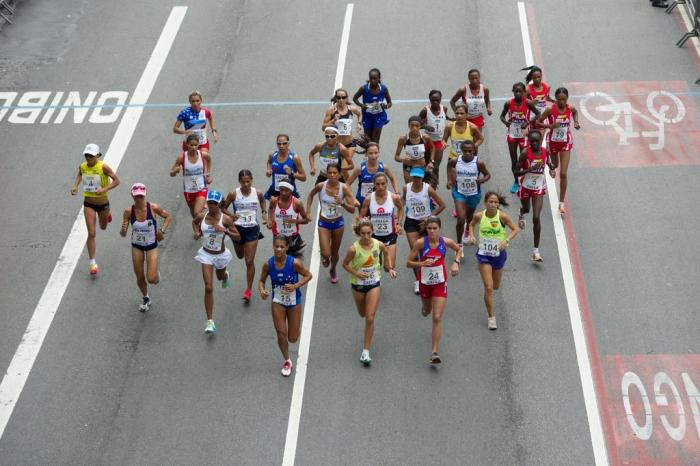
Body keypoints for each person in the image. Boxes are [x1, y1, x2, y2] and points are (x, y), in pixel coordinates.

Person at [342, 218, 398, 366]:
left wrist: (390, 268)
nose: (366, 236)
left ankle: (365, 351)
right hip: (358, 285)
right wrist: (356, 273)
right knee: (362, 313)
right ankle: (366, 344)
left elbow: (387, 253)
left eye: (368, 233)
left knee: (370, 317)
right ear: (359, 233)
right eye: (363, 234)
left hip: (374, 283)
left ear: (372, 232)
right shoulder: (353, 249)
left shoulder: (378, 245)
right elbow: (345, 264)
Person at [406, 216, 461, 365]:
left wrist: (456, 263)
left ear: (439, 229)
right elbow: (408, 263)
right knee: (427, 310)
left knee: (436, 317)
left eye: (435, 229)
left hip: (440, 282)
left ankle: (434, 352)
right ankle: (424, 308)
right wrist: (422, 262)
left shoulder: (446, 242)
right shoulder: (420, 243)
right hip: (424, 283)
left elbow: (458, 250)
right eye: (429, 229)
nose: (432, 231)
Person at [259, 235, 313, 377]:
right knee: (281, 333)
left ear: (287, 248)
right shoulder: (268, 264)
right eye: (276, 246)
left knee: (293, 338)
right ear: (273, 246)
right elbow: (261, 281)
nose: (279, 249)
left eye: (282, 247)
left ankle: (295, 330)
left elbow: (308, 275)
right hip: (278, 301)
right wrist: (262, 291)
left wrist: (296, 285)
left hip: (294, 301)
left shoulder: (294, 263)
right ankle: (287, 360)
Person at [467, 192, 520, 330]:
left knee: (495, 286)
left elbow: (515, 229)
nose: (493, 204)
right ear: (485, 203)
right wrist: (471, 236)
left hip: (499, 254)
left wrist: (506, 240)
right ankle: (491, 317)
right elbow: (471, 225)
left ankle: (489, 299)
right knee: (489, 287)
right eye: (490, 202)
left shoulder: (502, 216)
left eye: (496, 202)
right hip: (484, 254)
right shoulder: (479, 216)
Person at [192, 190, 240, 334]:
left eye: (215, 203)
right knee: (208, 287)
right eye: (210, 203)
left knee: (220, 277)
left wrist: (224, 231)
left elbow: (237, 237)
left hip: (220, 255)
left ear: (220, 204)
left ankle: (225, 275)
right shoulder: (202, 216)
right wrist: (196, 232)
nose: (212, 206)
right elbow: (194, 223)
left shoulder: (225, 219)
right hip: (206, 254)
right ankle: (210, 321)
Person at [119, 183, 171, 312]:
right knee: (139, 276)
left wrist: (162, 230)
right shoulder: (128, 211)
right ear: (132, 196)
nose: (139, 199)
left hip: (151, 245)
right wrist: (123, 230)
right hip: (137, 245)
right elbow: (123, 231)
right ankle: (145, 297)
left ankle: (156, 276)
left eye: (141, 196)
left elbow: (168, 216)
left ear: (145, 195)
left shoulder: (153, 208)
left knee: (151, 278)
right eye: (136, 196)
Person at [70, 143, 120, 275]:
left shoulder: (103, 167)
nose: (88, 158)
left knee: (103, 227)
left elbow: (116, 181)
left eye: (91, 156)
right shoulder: (82, 166)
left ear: (98, 155)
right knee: (91, 233)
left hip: (103, 203)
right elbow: (80, 175)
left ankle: (107, 214)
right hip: (89, 204)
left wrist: (103, 189)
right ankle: (92, 263)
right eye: (86, 155)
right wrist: (75, 186)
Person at [305, 163, 356, 283]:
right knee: (326, 253)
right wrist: (308, 211)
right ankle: (325, 258)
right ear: (327, 174)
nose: (332, 175)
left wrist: (342, 203)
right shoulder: (320, 186)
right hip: (324, 222)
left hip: (338, 223)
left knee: (334, 252)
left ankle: (333, 269)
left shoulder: (344, 188)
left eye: (335, 173)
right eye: (330, 173)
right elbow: (310, 195)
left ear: (339, 174)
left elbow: (353, 209)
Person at [223, 170, 267, 303]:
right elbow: (223, 208)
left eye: (248, 181)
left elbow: (262, 201)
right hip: (237, 229)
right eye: (243, 182)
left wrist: (264, 212)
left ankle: (248, 290)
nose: (246, 184)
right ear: (239, 181)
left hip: (252, 229)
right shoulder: (233, 194)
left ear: (252, 180)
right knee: (240, 256)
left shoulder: (257, 193)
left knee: (249, 261)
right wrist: (231, 215)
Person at [514, 130, 557, 262]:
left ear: (540, 140)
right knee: (526, 209)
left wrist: (551, 169)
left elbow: (549, 163)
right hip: (526, 187)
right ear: (529, 141)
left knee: (536, 217)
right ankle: (521, 212)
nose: (534, 143)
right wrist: (530, 169)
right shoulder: (525, 153)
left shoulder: (545, 152)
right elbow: (516, 172)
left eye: (536, 141)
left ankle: (535, 251)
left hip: (538, 188)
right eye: (531, 141)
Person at [537, 87, 581, 214]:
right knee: (554, 165)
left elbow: (575, 112)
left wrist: (576, 122)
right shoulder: (550, 109)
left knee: (563, 174)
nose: (561, 102)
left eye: (564, 99)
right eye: (559, 99)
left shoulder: (570, 108)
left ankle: (561, 204)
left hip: (566, 142)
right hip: (553, 142)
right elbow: (538, 123)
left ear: (567, 99)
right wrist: (550, 126)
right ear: (555, 99)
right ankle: (550, 166)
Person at [403, 167, 446, 294]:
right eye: (414, 177)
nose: (416, 179)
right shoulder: (406, 188)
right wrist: (399, 217)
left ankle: (427, 276)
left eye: (418, 177)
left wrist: (429, 218)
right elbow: (402, 200)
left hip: (426, 224)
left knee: (424, 251)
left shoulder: (428, 189)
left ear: (422, 178)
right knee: (415, 251)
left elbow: (442, 205)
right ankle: (418, 280)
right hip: (411, 222)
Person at [446, 140, 491, 251]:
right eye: (465, 151)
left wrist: (482, 180)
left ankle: (467, 231)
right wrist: (449, 180)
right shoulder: (455, 161)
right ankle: (459, 245)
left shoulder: (478, 163)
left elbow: (488, 175)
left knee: (469, 216)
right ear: (461, 151)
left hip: (474, 194)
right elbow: (449, 166)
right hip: (459, 193)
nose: (467, 153)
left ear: (473, 151)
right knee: (461, 219)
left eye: (470, 151)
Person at [500, 82, 541, 193]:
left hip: (524, 135)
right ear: (513, 92)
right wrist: (506, 123)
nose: (518, 94)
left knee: (522, 160)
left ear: (524, 93)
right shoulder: (508, 103)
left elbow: (538, 114)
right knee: (514, 161)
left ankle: (524, 180)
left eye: (520, 92)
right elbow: (501, 116)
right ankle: (516, 182)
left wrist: (527, 122)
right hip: (512, 135)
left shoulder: (528, 103)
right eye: (516, 91)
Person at [359, 173, 404, 272]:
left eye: (383, 184)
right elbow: (361, 217)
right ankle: (376, 283)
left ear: (387, 184)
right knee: (375, 265)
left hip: (390, 235)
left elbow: (400, 209)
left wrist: (399, 224)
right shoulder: (368, 199)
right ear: (374, 185)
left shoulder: (393, 197)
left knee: (389, 267)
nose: (380, 187)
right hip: (374, 237)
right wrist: (363, 222)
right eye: (378, 184)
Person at [169, 134, 212, 218]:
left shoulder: (202, 155)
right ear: (187, 145)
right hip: (189, 190)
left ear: (198, 145)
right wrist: (175, 171)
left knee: (197, 212)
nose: (193, 147)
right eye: (191, 145)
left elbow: (209, 159)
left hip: (201, 187)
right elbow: (171, 173)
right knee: (194, 214)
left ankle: (205, 226)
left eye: (196, 145)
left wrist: (208, 175)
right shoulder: (182, 157)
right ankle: (199, 227)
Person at [322, 88, 363, 177]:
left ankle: (347, 187)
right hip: (337, 146)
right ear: (336, 98)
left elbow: (360, 114)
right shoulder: (331, 110)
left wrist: (359, 124)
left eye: (343, 97)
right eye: (339, 97)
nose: (341, 100)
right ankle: (342, 185)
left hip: (350, 144)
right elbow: (323, 127)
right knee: (338, 170)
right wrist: (333, 120)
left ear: (347, 98)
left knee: (343, 168)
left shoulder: (351, 109)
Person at [346, 142, 399, 207]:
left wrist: (397, 192)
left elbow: (392, 178)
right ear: (366, 154)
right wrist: (353, 199)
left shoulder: (384, 167)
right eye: (370, 153)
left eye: (376, 153)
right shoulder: (360, 168)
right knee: (363, 217)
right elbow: (347, 184)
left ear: (379, 153)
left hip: (380, 200)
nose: (373, 156)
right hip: (363, 201)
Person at [267, 179, 310, 257]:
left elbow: (306, 220)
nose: (283, 193)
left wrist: (293, 221)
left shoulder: (297, 203)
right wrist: (270, 220)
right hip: (278, 236)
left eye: (286, 190)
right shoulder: (274, 201)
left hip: (292, 236)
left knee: (292, 261)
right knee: (279, 258)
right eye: (281, 190)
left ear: (291, 190)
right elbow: (270, 209)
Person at [419, 90, 451, 187]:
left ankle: (433, 187)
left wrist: (451, 119)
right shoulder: (425, 110)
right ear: (430, 100)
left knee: (435, 166)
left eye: (437, 100)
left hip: (438, 142)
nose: (435, 102)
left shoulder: (444, 109)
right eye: (433, 100)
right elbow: (416, 124)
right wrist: (425, 126)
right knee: (425, 165)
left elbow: (445, 117)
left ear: (440, 99)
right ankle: (424, 184)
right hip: (427, 141)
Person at [172, 91, 219, 156]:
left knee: (203, 158)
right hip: (189, 143)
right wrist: (185, 132)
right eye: (193, 101)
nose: (195, 103)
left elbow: (210, 118)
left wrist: (214, 131)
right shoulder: (184, 113)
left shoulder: (206, 112)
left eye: (197, 101)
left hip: (202, 142)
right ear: (190, 102)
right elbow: (175, 129)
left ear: (201, 101)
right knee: (190, 163)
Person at [353, 68, 392, 144]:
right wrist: (362, 105)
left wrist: (386, 106)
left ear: (379, 78)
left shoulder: (384, 89)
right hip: (367, 116)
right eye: (371, 78)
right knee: (368, 141)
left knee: (375, 141)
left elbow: (390, 103)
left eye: (375, 78)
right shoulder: (364, 88)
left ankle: (375, 154)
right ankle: (367, 150)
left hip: (379, 116)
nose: (372, 80)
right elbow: (355, 98)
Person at [394, 116, 435, 184]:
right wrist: (402, 160)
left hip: (421, 166)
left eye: (417, 126)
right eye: (412, 125)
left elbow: (433, 148)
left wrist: (431, 161)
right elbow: (396, 157)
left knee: (422, 189)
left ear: (420, 126)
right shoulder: (403, 138)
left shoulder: (425, 137)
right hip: (408, 167)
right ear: (408, 126)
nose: (414, 128)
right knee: (409, 188)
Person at [265, 134, 306, 200]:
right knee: (273, 209)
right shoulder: (272, 155)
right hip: (275, 190)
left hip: (289, 192)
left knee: (292, 209)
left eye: (284, 143)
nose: (281, 146)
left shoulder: (294, 158)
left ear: (288, 144)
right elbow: (269, 162)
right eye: (279, 144)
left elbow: (304, 178)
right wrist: (268, 169)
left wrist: (292, 173)